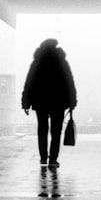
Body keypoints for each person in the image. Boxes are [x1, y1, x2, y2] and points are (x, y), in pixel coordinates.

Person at [21, 38, 77, 169]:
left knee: (42, 130)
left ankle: (43, 158)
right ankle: (53, 159)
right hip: (59, 102)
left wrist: (25, 103)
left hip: (40, 102)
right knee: (56, 132)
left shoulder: (37, 63)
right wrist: (72, 101)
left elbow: (29, 83)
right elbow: (70, 82)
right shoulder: (62, 62)